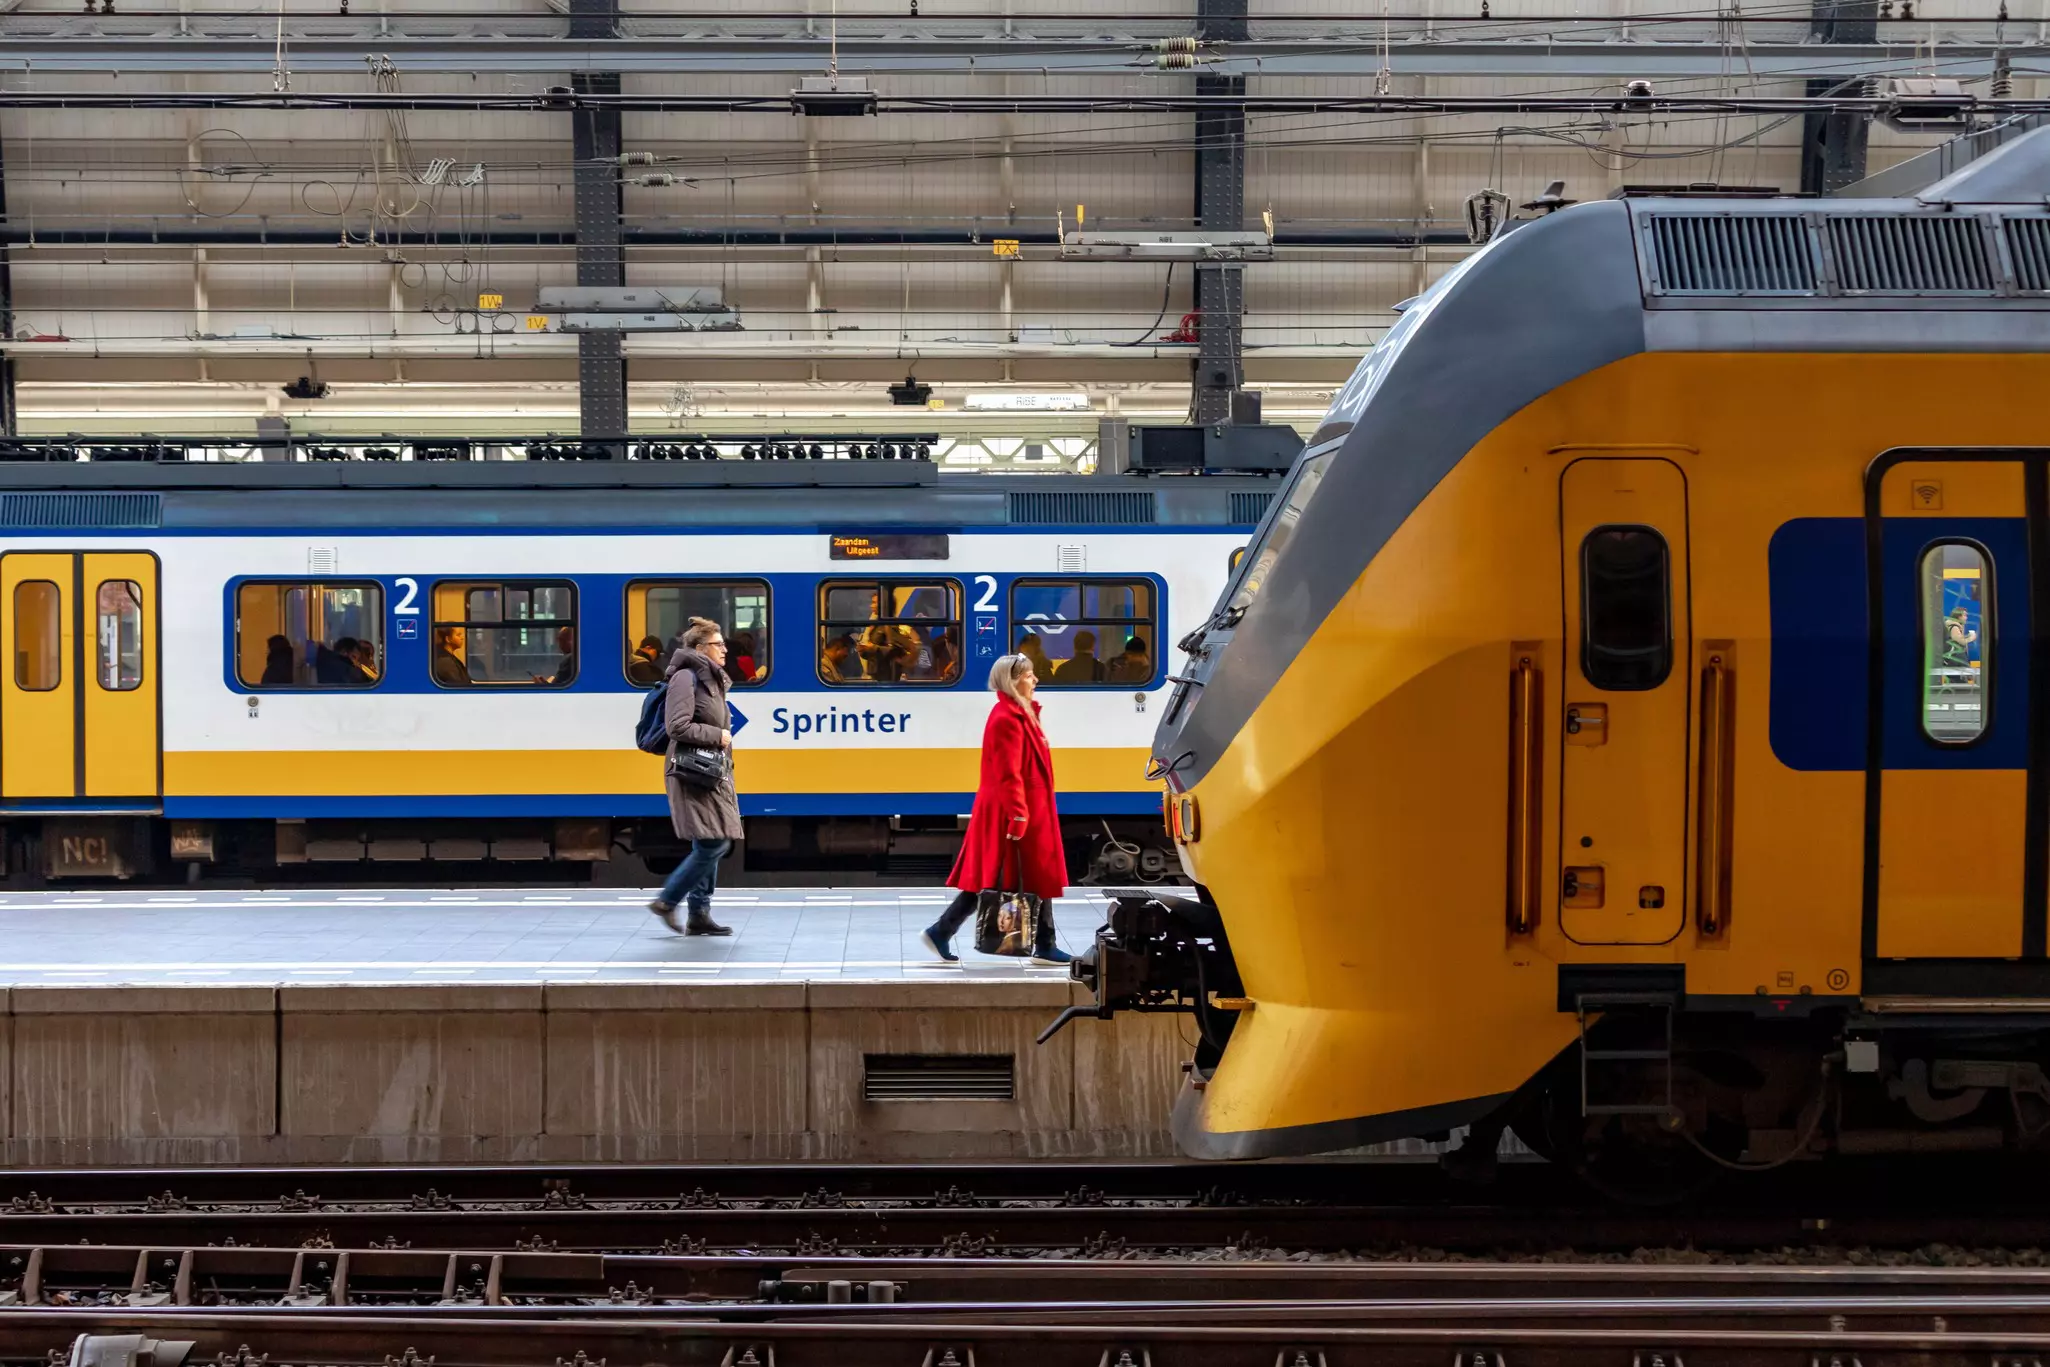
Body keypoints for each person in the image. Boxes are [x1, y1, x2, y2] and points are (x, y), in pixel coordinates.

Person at [920, 653, 1072, 966]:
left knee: (1018, 875)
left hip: (1028, 806)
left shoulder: (1019, 713)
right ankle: (1044, 944)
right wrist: (1018, 815)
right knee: (1011, 876)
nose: (1035, 681)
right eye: (1030, 676)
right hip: (1015, 809)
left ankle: (943, 931)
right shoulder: (1007, 718)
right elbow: (1008, 772)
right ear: (1013, 680)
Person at [649, 617, 744, 936]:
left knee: (710, 839)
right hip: (692, 771)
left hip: (710, 770)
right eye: (719, 644)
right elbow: (677, 726)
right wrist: (718, 735)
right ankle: (667, 900)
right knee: (714, 842)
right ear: (700, 649)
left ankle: (699, 914)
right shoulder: (685, 678)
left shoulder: (710, 679)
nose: (725, 649)